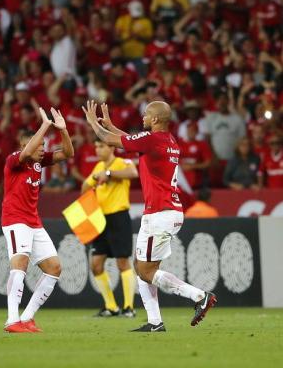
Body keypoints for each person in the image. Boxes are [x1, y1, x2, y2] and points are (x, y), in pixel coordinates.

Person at [83, 100, 217, 332]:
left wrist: (94, 123)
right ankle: (155, 322)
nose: (143, 118)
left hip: (160, 213)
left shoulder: (152, 140)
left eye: (146, 115)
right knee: (142, 267)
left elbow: (110, 141)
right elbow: (130, 141)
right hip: (164, 211)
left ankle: (199, 296)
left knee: (145, 271)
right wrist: (112, 125)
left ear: (155, 119)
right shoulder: (167, 141)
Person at [2, 107, 74, 333]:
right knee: (20, 263)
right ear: (25, 146)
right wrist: (44, 125)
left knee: (54, 267)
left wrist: (62, 130)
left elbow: (68, 154)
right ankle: (12, 320)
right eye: (39, 145)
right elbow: (25, 154)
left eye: (44, 146)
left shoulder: (38, 163)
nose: (43, 150)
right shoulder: (14, 160)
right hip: (15, 219)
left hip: (33, 221)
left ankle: (27, 317)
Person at [81, 133, 138, 318]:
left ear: (112, 148)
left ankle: (129, 307)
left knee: (122, 261)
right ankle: (111, 306)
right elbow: (84, 188)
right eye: (96, 147)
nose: (98, 150)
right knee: (96, 264)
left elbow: (133, 173)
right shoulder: (97, 166)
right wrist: (94, 180)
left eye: (102, 146)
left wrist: (109, 174)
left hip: (118, 217)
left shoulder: (123, 162)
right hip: (100, 219)